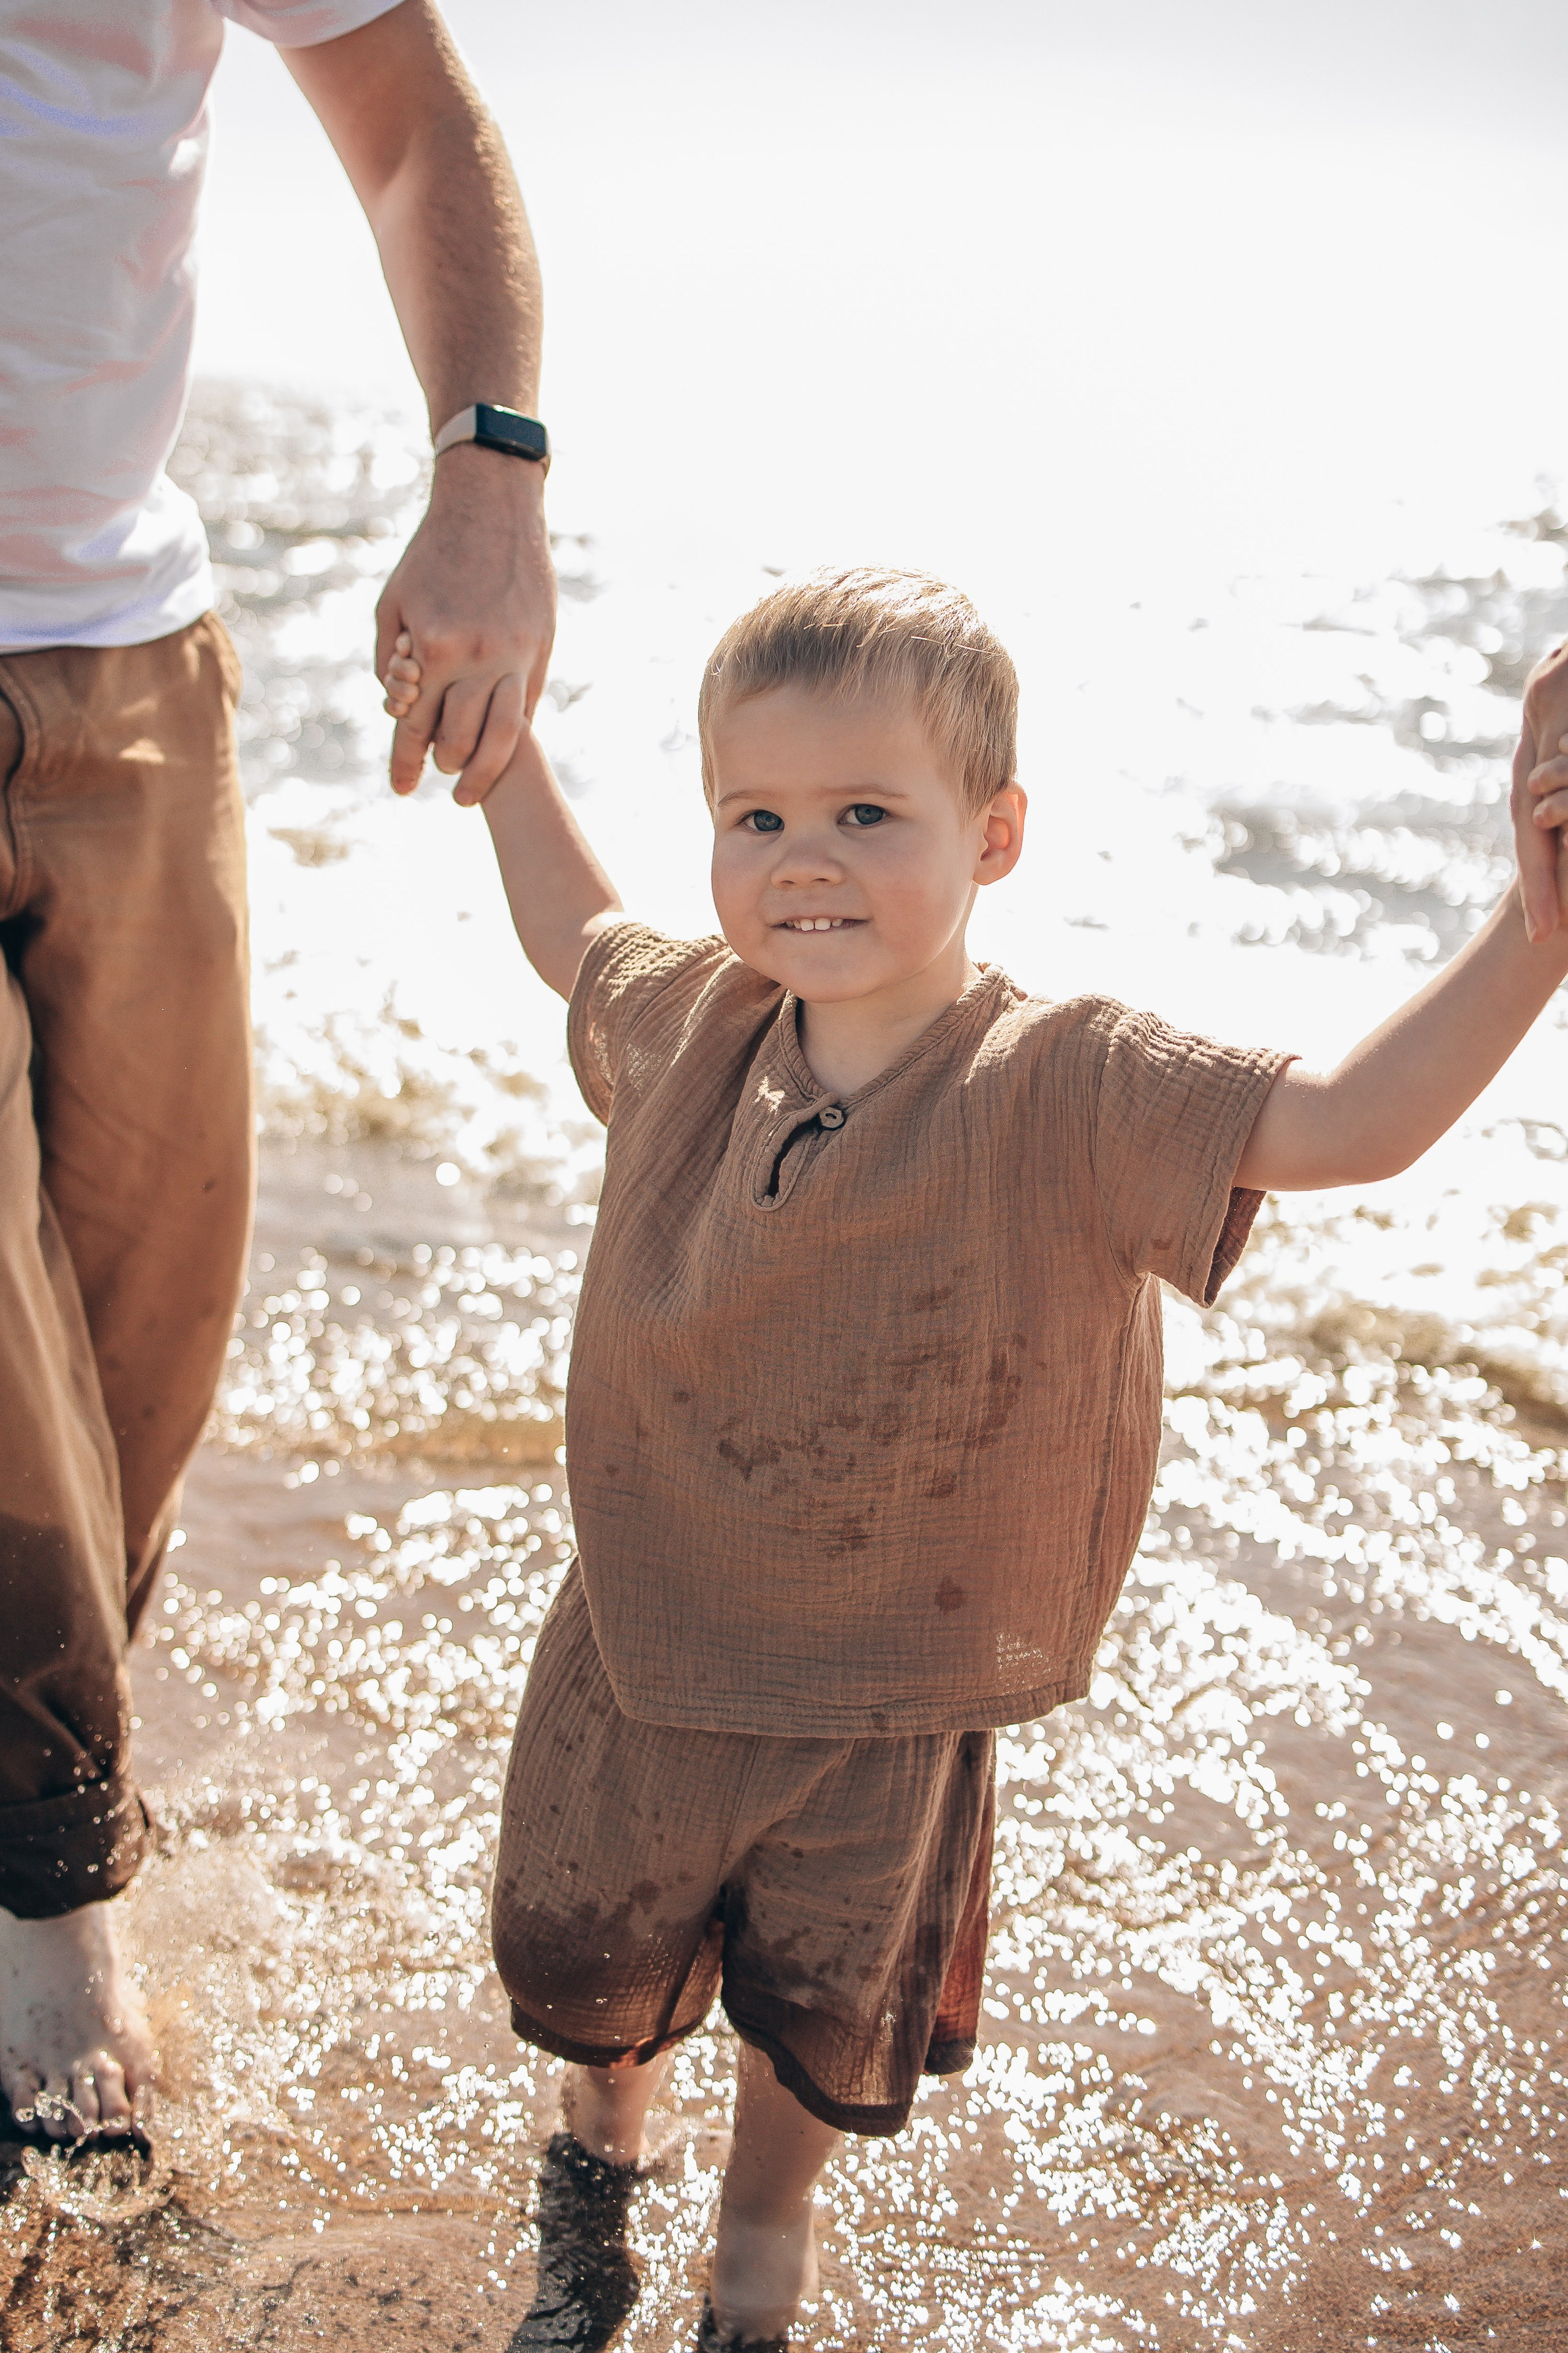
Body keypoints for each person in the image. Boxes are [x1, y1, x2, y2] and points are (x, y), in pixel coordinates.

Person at [385, 564, 1568, 2346]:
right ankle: (599, 2162)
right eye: (758, 814)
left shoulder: (1066, 1080)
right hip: (652, 1637)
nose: (807, 857)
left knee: (809, 2008)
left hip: (887, 1690)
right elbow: (577, 929)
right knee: (595, 1968)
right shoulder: (700, 1022)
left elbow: (1348, 1121)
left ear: (995, 833)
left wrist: (1536, 931)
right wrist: (501, 756)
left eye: (870, 813)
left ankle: (755, 2265)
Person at [0, 0, 554, 2147]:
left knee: (149, 1304)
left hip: (131, 654)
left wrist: (489, 469)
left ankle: (28, 1743)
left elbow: (410, 116)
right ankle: (50, 1880)